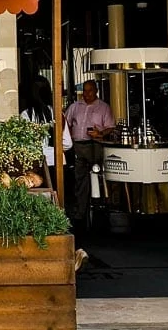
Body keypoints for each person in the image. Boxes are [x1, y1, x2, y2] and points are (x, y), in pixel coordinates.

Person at [64, 79, 115, 227]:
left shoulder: (103, 107)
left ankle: (100, 210)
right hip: (78, 146)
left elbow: (110, 126)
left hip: (96, 146)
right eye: (85, 91)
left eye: (90, 90)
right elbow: (65, 122)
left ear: (96, 91)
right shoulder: (75, 107)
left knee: (99, 176)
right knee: (80, 179)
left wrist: (100, 133)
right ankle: (80, 212)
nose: (87, 94)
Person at [20, 76, 72, 177]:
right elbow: (67, 143)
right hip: (58, 163)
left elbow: (24, 145)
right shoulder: (57, 114)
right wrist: (54, 149)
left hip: (37, 163)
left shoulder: (26, 115)